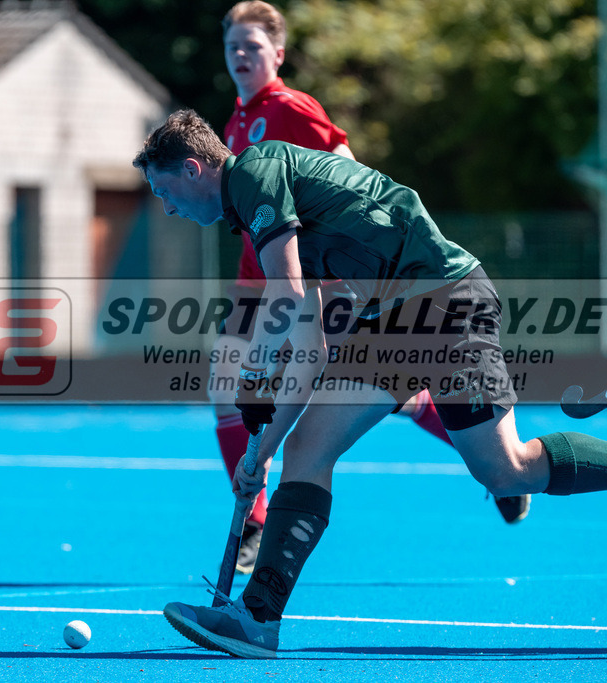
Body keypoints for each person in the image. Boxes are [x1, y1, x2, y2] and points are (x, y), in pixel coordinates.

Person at [133, 109, 607, 659]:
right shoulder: (263, 209)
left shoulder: (255, 174)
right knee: (306, 450)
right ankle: (257, 620)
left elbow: (284, 302)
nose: (167, 207)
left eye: (164, 192)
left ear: (193, 169)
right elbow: (310, 346)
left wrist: (255, 373)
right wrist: (260, 451)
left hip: (446, 302)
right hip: (388, 322)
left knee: (506, 470)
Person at [211, 1, 529, 575]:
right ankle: (254, 519)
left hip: (314, 276)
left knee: (380, 390)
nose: (240, 56)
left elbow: (346, 168)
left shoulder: (292, 107)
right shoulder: (234, 122)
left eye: (252, 47)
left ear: (277, 54)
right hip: (254, 276)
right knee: (225, 388)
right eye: (233, 46)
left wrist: (347, 263)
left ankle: (495, 464)